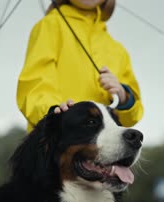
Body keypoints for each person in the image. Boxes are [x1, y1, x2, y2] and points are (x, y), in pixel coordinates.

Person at [17, 0, 144, 131]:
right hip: (57, 144)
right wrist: (54, 111)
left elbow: (131, 118)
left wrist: (122, 96)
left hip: (103, 146)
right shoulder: (49, 26)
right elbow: (35, 85)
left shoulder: (118, 50)